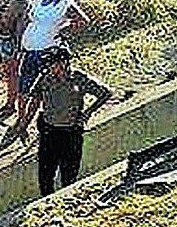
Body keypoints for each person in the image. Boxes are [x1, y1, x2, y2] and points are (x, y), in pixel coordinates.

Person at [10, 47, 111, 195]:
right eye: (48, 64)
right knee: (45, 176)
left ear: (63, 63)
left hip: (71, 133)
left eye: (52, 63)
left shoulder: (78, 78)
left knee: (69, 175)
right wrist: (23, 126)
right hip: (48, 133)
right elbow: (35, 103)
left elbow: (105, 93)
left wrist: (87, 113)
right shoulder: (44, 79)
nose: (49, 67)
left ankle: (65, 202)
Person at [18, 0, 89, 106]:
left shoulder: (65, 3)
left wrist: (63, 30)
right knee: (24, 86)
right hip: (30, 50)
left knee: (45, 89)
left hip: (49, 51)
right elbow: (31, 19)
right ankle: (21, 117)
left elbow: (83, 21)